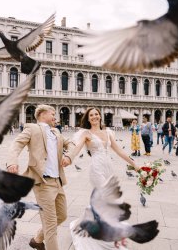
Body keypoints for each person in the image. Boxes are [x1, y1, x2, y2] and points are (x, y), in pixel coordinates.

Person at [69, 107, 140, 250]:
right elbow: (76, 148)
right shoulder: (86, 133)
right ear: (88, 119)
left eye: (96, 114)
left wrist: (134, 164)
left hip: (108, 167)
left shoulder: (108, 132)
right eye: (91, 115)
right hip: (96, 168)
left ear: (100, 116)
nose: (94, 117)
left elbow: (118, 150)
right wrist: (68, 157)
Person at [8, 105, 75, 250]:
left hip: (58, 181)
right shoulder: (32, 128)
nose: (55, 117)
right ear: (43, 114)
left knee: (62, 216)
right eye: (53, 114)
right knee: (50, 224)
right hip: (43, 182)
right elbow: (16, 144)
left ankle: (37, 239)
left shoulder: (56, 131)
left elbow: (71, 144)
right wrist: (12, 161)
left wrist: (68, 156)